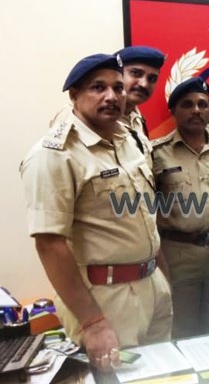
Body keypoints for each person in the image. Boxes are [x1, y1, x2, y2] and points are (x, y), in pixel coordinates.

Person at [20, 54, 172, 372]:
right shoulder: (55, 154)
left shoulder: (128, 140)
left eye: (117, 87)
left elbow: (143, 217)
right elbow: (49, 243)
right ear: (74, 95)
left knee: (161, 375)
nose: (111, 96)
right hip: (106, 300)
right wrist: (93, 322)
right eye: (98, 87)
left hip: (151, 287)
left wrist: (162, 278)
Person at [151, 77, 209, 338]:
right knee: (181, 329)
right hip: (178, 256)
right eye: (187, 105)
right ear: (174, 111)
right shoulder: (156, 153)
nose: (196, 110)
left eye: (202, 104)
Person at [49, 45, 165, 168]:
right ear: (117, 74)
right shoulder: (72, 115)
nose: (144, 84)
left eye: (152, 78)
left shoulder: (136, 118)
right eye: (136, 73)